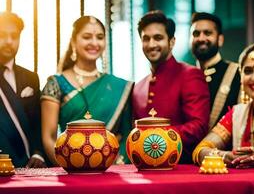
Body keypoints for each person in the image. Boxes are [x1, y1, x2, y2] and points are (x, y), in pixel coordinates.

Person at [41, 16, 133, 166]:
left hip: (110, 170)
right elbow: (49, 137)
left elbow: (127, 134)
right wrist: (69, 167)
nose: (94, 43)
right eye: (87, 37)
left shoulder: (119, 86)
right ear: (73, 42)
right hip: (70, 168)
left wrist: (115, 165)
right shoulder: (56, 83)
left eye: (100, 37)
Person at [132, 10, 210, 164]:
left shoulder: (190, 75)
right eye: (146, 39)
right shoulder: (138, 87)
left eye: (158, 38)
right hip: (145, 170)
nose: (151, 44)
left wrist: (157, 137)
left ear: (172, 41)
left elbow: (199, 127)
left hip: (182, 169)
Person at [0, 11, 45, 167]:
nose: (8, 41)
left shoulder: (31, 78)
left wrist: (39, 153)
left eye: (14, 36)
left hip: (30, 164)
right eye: (2, 35)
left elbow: (38, 121)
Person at [190, 12, 240, 129]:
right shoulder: (185, 76)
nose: (201, 38)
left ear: (220, 39)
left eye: (207, 33)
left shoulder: (238, 72)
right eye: (196, 34)